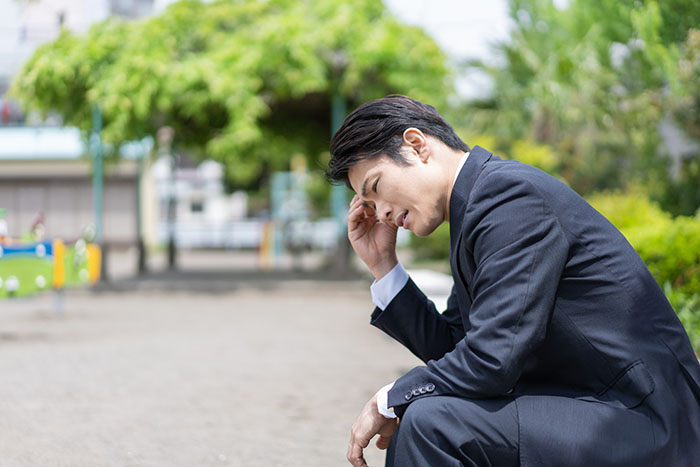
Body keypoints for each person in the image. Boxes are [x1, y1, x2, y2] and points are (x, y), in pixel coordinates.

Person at [325, 95, 700, 467]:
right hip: (587, 405)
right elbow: (457, 347)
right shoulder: (476, 210)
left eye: (376, 188)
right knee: (429, 411)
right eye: (370, 206)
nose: (383, 213)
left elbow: (493, 358)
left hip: (639, 417)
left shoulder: (508, 197)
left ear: (417, 145)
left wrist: (391, 397)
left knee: (431, 423)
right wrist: (384, 267)